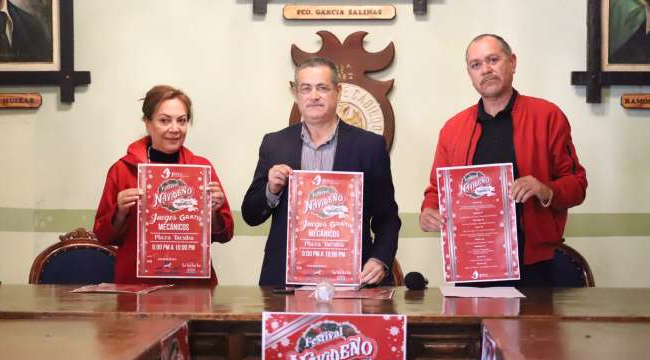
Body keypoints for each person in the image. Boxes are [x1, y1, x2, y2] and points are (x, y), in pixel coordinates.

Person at [420, 34, 587, 286]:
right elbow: (437, 190)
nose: (485, 70)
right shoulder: (452, 129)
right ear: (470, 74)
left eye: (493, 60)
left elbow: (577, 185)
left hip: (535, 266)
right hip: (473, 264)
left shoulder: (547, 116)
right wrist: (428, 211)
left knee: (536, 315)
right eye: (476, 65)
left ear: (512, 62)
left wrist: (544, 189)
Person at [242, 57, 401, 287]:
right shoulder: (274, 144)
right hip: (285, 280)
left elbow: (387, 217)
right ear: (296, 94)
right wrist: (271, 190)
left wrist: (380, 259)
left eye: (322, 88)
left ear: (338, 92)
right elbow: (251, 215)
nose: (313, 96)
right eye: (306, 88)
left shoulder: (369, 146)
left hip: (351, 278)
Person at [94, 85, 233, 287]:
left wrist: (214, 211)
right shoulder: (122, 170)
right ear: (147, 123)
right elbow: (102, 236)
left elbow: (225, 235)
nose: (175, 129)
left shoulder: (201, 168)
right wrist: (120, 212)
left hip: (192, 287)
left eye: (182, 121)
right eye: (164, 120)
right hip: (137, 286)